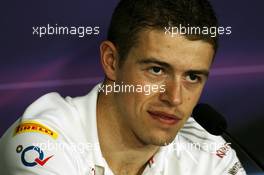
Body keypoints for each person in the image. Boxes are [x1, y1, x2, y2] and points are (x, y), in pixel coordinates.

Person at [0, 0, 246, 174]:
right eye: (157, 70)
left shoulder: (208, 152)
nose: (175, 98)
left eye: (192, 77)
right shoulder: (43, 143)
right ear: (111, 61)